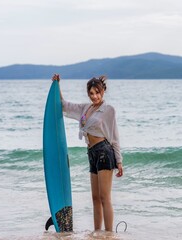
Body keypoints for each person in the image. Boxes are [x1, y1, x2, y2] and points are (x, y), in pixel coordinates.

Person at [51, 74, 123, 232]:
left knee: (105, 198)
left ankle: (109, 234)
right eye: (91, 93)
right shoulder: (86, 108)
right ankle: (97, 233)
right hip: (91, 153)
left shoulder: (108, 110)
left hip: (104, 152)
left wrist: (119, 161)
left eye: (97, 92)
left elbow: (114, 136)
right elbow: (64, 105)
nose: (95, 96)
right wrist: (57, 85)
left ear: (102, 91)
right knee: (95, 198)